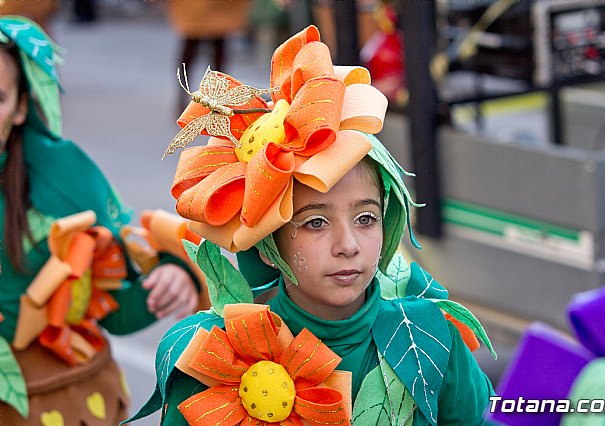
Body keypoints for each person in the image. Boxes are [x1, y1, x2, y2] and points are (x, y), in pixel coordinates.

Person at [131, 25, 496, 425]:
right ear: (269, 243)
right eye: (316, 222)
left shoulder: (432, 338)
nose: (348, 244)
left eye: (366, 218)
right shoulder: (219, 360)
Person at [0, 15, 200, 425]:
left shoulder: (63, 185)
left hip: (50, 403)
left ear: (21, 107)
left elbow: (114, 310)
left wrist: (167, 280)